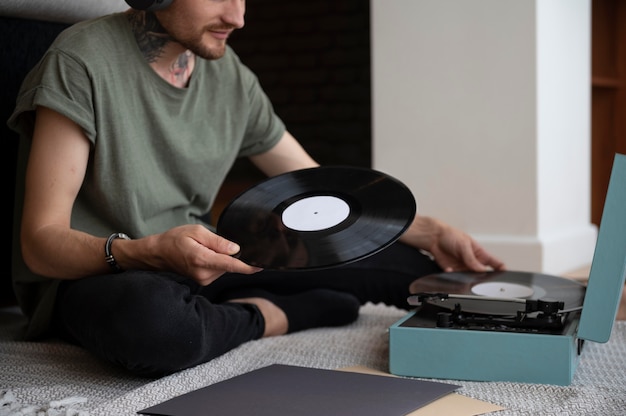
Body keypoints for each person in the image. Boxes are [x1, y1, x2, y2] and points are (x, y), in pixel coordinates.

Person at [8, 0, 505, 378]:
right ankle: (273, 313)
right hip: (104, 273)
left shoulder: (231, 77)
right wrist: (147, 251)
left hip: (203, 259)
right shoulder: (80, 59)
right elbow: (40, 244)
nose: (238, 16)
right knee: (159, 328)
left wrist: (426, 229)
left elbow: (321, 190)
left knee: (408, 266)